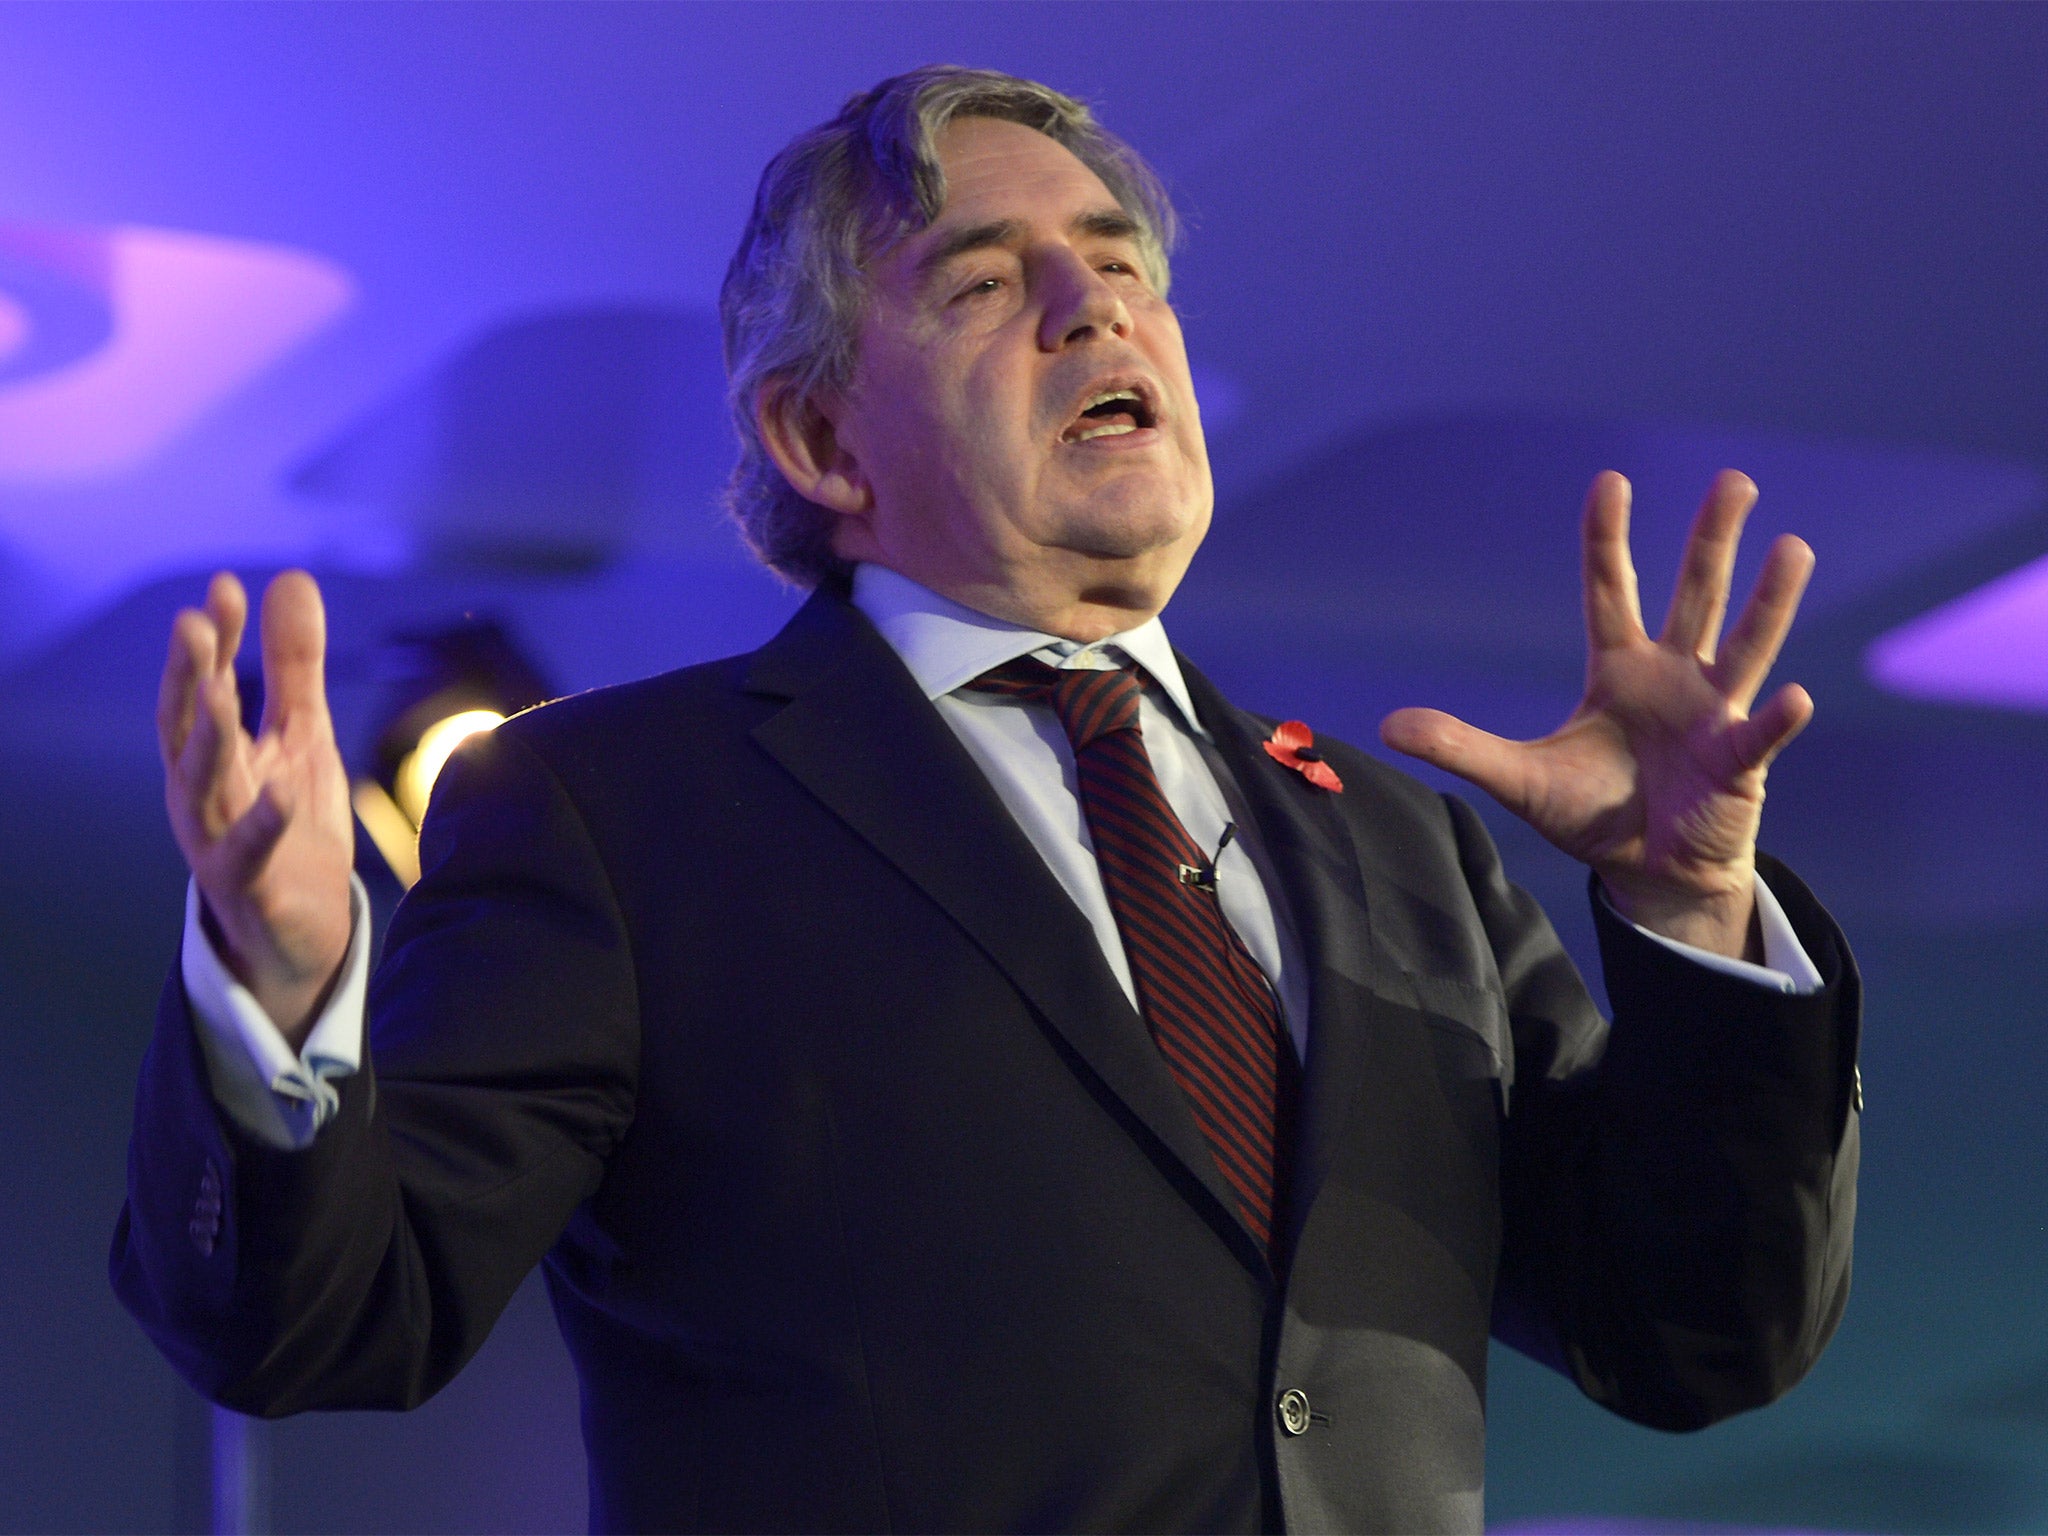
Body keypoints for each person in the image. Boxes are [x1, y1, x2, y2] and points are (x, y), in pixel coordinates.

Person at [115, 66, 1859, 1535]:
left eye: (1119, 265)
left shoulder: (1401, 847)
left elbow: (1699, 1332)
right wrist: (278, 995)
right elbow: (328, 1321)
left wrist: (1694, 909)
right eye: (981, 282)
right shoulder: (616, 811)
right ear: (820, 441)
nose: (1094, 307)